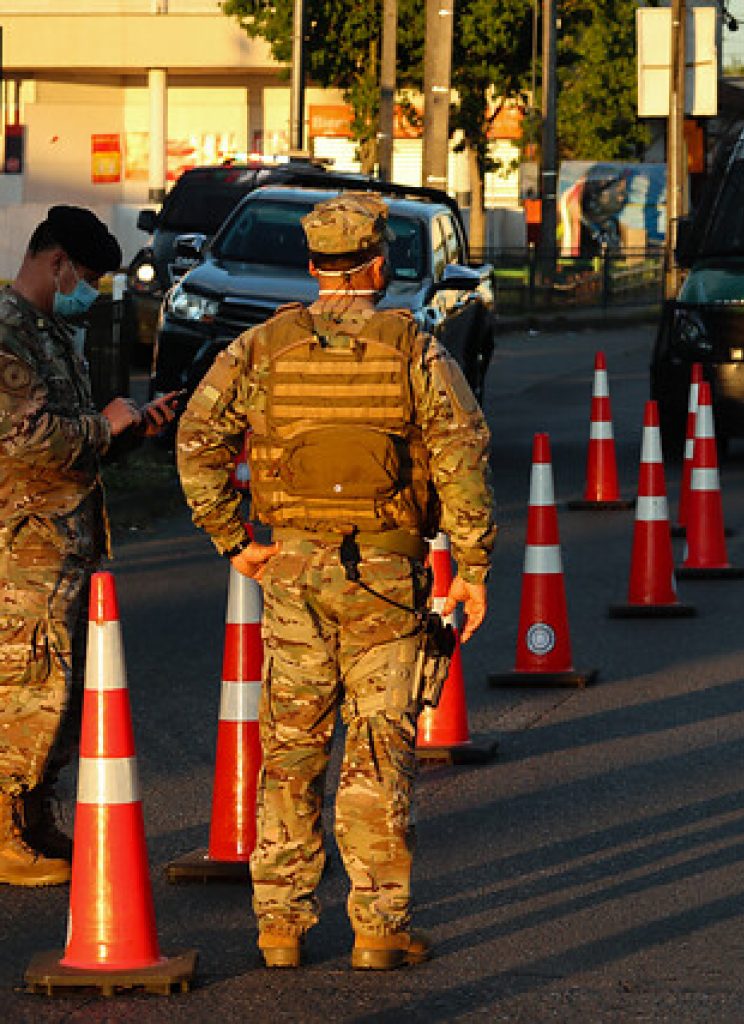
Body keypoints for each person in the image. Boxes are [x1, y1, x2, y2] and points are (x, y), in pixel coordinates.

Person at [176, 192, 495, 971]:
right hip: (387, 572)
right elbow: (462, 453)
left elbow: (196, 436)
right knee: (378, 749)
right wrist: (474, 569)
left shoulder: (262, 348)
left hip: (291, 569)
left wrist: (233, 541)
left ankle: (280, 928)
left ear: (314, 264)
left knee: (290, 747)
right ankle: (379, 929)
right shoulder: (414, 350)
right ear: (379, 264)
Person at [0, 205, 179, 886]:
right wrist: (105, 427)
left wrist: (130, 429)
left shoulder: (46, 332)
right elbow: (33, 441)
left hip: (61, 542)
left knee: (55, 691)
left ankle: (35, 819)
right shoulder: (8, 335)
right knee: (22, 689)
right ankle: (5, 833)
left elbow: (76, 436)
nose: (94, 292)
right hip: (23, 548)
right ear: (56, 263)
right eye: (89, 278)